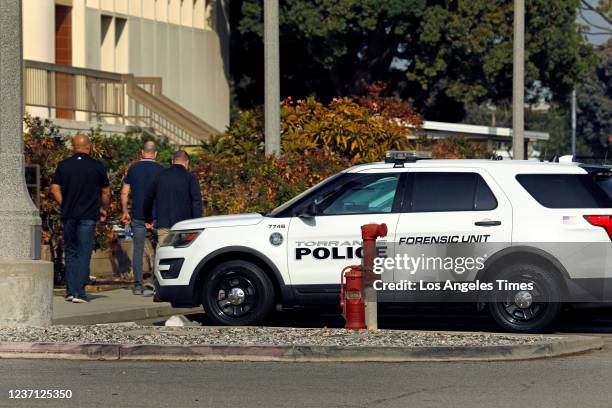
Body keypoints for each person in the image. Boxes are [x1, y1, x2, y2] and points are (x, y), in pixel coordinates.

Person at [50, 134, 110, 303]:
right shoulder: (97, 166)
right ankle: (80, 293)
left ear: (73, 146)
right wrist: (104, 208)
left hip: (69, 215)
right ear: (88, 146)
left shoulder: (64, 165)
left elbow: (54, 189)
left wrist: (65, 203)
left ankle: (70, 291)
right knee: (84, 252)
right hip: (88, 215)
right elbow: (106, 192)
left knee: (70, 252)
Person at [120, 141, 164, 295]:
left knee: (138, 250)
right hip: (156, 217)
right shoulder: (161, 170)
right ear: (155, 153)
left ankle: (138, 286)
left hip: (137, 215)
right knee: (161, 249)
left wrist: (125, 211)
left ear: (142, 152)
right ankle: (157, 283)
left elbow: (125, 192)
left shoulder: (133, 169)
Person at [144, 150, 202, 245]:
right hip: (185, 225)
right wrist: (197, 223)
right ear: (187, 162)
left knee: (164, 253)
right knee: (184, 255)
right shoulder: (191, 178)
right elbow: (196, 202)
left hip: (163, 224)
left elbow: (148, 199)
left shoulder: (160, 176)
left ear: (172, 161)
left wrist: (149, 219)